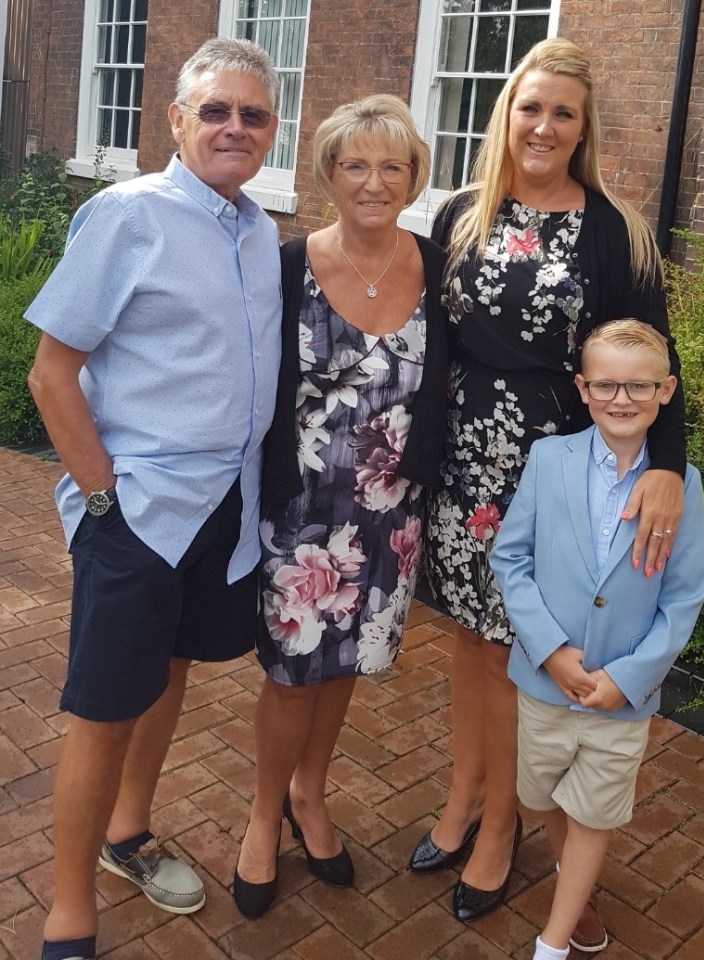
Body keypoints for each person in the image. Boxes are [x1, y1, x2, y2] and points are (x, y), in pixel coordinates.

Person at [410, 37, 688, 938]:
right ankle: (462, 801)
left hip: (558, 470)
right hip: (464, 462)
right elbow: (431, 350)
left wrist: (668, 472)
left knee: (516, 652)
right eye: (530, 106)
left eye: (562, 111)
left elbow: (655, 359)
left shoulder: (614, 230)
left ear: (583, 127)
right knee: (468, 644)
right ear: (507, 114)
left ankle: (501, 830)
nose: (544, 124)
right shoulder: (459, 212)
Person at [25, 38, 282, 960]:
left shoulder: (258, 231)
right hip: (136, 507)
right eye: (214, 110)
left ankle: (128, 833)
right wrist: (102, 505)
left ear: (271, 129)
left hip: (226, 509)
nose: (233, 127)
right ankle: (67, 909)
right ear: (175, 120)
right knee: (101, 707)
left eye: (252, 114)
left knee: (168, 676)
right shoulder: (126, 215)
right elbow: (52, 373)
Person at [232, 94, 448, 919]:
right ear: (327, 173)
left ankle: (310, 798)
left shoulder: (434, 265)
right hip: (303, 511)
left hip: (391, 515)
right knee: (293, 674)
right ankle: (262, 813)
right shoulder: (286, 265)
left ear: (413, 177)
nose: (373, 181)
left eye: (391, 166)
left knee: (346, 666)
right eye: (355, 164)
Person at [489, 319, 704, 959]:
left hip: (621, 695)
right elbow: (512, 560)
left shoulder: (681, 485)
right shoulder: (548, 460)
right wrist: (550, 650)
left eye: (639, 387)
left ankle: (552, 942)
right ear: (583, 389)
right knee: (545, 797)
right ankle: (571, 879)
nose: (623, 399)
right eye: (607, 385)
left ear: (666, 391)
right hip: (544, 681)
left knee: (593, 813)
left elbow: (685, 592)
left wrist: (632, 676)